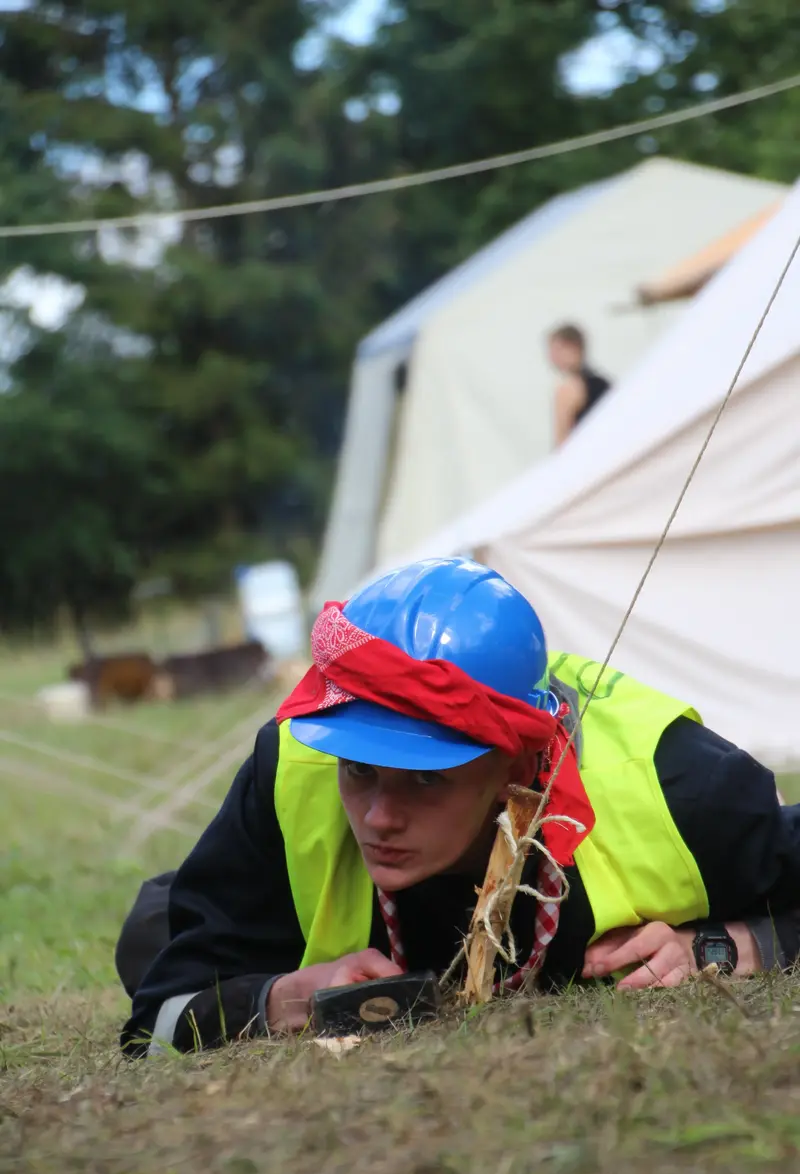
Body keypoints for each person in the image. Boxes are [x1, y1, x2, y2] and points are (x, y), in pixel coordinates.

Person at [119, 557, 800, 1056]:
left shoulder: (678, 788)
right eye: (359, 771)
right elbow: (157, 1019)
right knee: (150, 929)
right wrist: (277, 1000)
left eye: (424, 780)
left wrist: (732, 943)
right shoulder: (292, 767)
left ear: (514, 762)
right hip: (249, 913)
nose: (379, 817)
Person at [547, 323, 611, 445]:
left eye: (557, 350)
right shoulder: (603, 382)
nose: (552, 357)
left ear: (574, 347)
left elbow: (562, 441)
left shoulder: (568, 388)